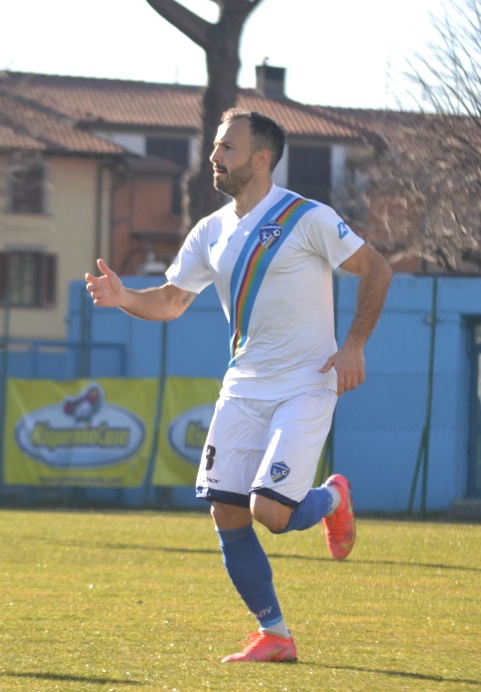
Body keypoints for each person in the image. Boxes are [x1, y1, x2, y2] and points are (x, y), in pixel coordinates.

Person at [85, 108, 393, 663]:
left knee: (270, 513)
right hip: (243, 388)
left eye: (227, 148)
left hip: (305, 384)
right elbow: (174, 300)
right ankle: (275, 635)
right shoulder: (211, 230)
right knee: (226, 511)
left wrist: (354, 346)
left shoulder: (307, 217)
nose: (214, 157)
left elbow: (377, 269)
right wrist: (125, 296)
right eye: (215, 147)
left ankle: (331, 498)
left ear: (261, 158)